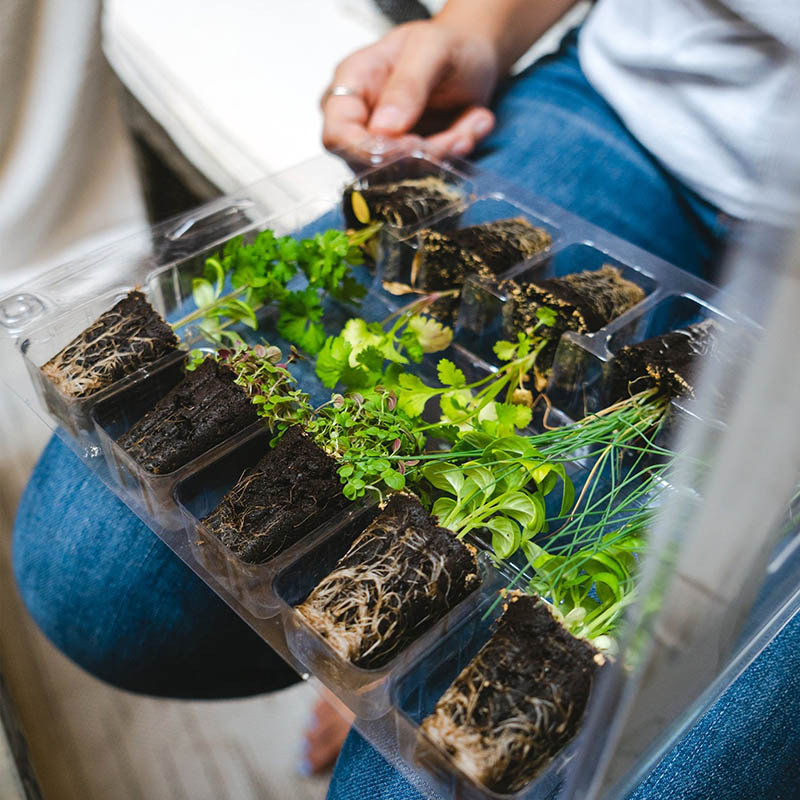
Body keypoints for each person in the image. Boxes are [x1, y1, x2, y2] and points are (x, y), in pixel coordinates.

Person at [12, 1, 800, 798]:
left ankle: (402, 651)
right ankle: (375, 645)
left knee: (439, 776)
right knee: (99, 569)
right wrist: (476, 31)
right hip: (650, 114)